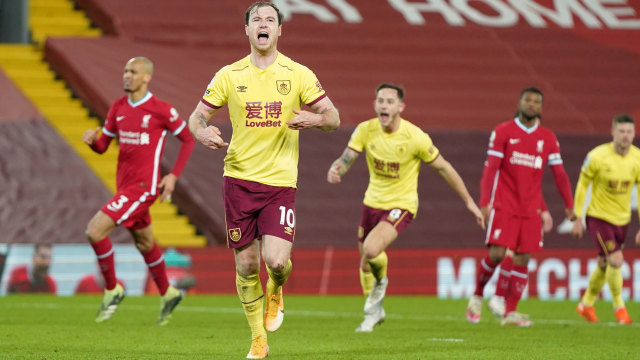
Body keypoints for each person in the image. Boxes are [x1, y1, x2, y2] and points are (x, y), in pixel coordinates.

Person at [187, 2, 340, 358]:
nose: (263, 23)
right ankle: (259, 339)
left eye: (270, 19)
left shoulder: (298, 73)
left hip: (280, 184)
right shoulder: (229, 74)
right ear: (246, 30)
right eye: (256, 19)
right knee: (244, 264)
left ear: (279, 30)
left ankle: (277, 286)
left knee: (275, 262)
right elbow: (197, 116)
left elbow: (333, 116)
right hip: (238, 179)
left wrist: (314, 120)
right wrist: (202, 132)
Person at [327, 83, 484, 332]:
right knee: (366, 262)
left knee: (370, 248)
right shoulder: (365, 130)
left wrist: (469, 202)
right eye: (380, 100)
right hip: (372, 203)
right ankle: (375, 310)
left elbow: (444, 167)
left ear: (400, 106)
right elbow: (347, 157)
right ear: (375, 104)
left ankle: (377, 295)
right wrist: (336, 169)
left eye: (390, 101)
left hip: (402, 205)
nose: (384, 105)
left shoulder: (415, 137)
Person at [82, 56, 195, 325]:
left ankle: (113, 289)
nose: (127, 75)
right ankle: (168, 293)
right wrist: (91, 142)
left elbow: (188, 139)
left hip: (144, 188)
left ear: (146, 77)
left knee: (94, 230)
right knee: (145, 243)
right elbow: (102, 147)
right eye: (125, 70)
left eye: (133, 71)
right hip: (125, 186)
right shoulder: (117, 108)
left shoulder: (161, 109)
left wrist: (173, 177)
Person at [466, 87, 576, 326]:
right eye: (528, 100)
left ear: (541, 107)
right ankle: (477, 295)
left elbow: (559, 174)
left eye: (537, 101)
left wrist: (569, 205)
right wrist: (484, 202)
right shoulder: (503, 131)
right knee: (497, 254)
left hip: (531, 209)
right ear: (520, 102)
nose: (532, 104)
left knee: (523, 258)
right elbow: (491, 168)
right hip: (504, 203)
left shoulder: (548, 138)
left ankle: (510, 312)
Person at [572, 114, 640, 325]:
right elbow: (583, 184)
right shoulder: (597, 156)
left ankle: (586, 304)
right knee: (616, 259)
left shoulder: (637, 158)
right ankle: (620, 308)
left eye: (629, 131)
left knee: (604, 263)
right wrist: (577, 216)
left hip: (622, 219)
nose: (626, 136)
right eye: (621, 131)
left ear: (634, 133)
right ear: (613, 132)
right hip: (599, 217)